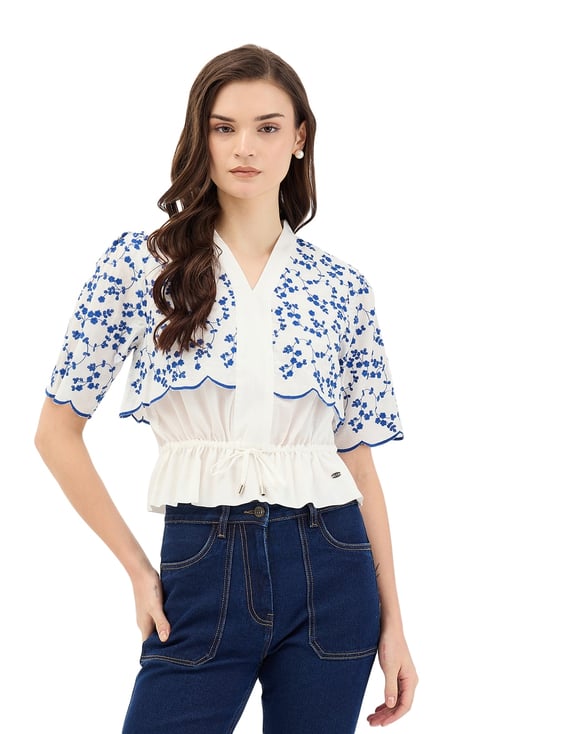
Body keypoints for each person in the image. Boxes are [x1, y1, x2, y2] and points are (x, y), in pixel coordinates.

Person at [35, 43, 418, 733]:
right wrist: (138, 570)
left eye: (268, 127)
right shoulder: (141, 266)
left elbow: (358, 464)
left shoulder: (341, 287)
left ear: (299, 138)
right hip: (201, 567)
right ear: (200, 136)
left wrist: (395, 624)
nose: (245, 147)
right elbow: (55, 432)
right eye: (224, 127)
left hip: (333, 573)